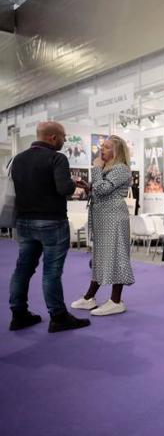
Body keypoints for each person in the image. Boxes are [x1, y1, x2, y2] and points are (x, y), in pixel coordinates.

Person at [9, 121, 90, 332]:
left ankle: (18, 314)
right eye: (63, 136)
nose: (65, 140)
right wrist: (74, 184)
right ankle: (58, 316)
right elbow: (63, 188)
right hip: (52, 222)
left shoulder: (18, 159)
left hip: (24, 222)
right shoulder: (57, 158)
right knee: (51, 272)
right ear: (53, 138)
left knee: (22, 269)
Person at [72, 135, 135, 316]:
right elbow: (100, 189)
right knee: (100, 257)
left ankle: (116, 301)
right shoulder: (108, 168)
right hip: (103, 216)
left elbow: (103, 189)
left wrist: (96, 169)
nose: (102, 150)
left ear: (116, 151)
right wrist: (88, 186)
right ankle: (89, 297)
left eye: (107, 147)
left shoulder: (122, 169)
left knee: (116, 256)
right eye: (103, 146)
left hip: (113, 217)